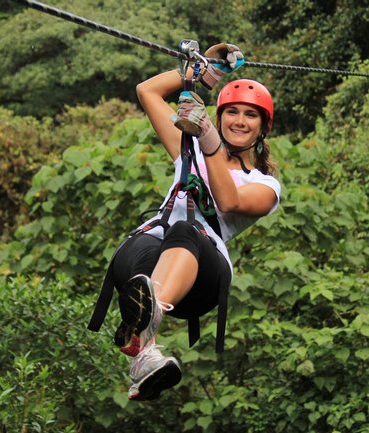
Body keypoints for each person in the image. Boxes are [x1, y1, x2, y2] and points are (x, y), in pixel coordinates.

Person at [87, 43, 281, 401]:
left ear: (262, 127)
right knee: (143, 242)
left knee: (185, 229)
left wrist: (208, 140)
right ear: (220, 116)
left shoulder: (265, 185)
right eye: (232, 112)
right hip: (154, 254)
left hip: (203, 277)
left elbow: (229, 200)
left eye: (250, 115)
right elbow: (147, 91)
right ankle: (145, 356)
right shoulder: (187, 148)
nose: (239, 121)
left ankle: (149, 314)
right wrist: (201, 76)